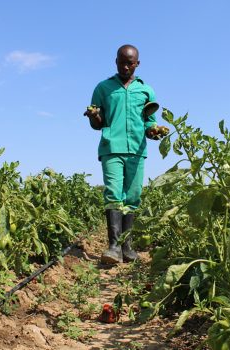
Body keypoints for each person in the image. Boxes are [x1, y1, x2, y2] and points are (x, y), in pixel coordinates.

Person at [84, 44, 160, 264]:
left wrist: (154, 131)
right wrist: (92, 116)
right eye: (122, 61)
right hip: (111, 147)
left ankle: (127, 246)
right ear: (115, 61)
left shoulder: (146, 90)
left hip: (137, 150)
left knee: (133, 196)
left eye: (130, 62)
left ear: (137, 63)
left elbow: (149, 122)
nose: (126, 66)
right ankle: (113, 247)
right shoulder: (103, 88)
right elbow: (97, 124)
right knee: (114, 193)